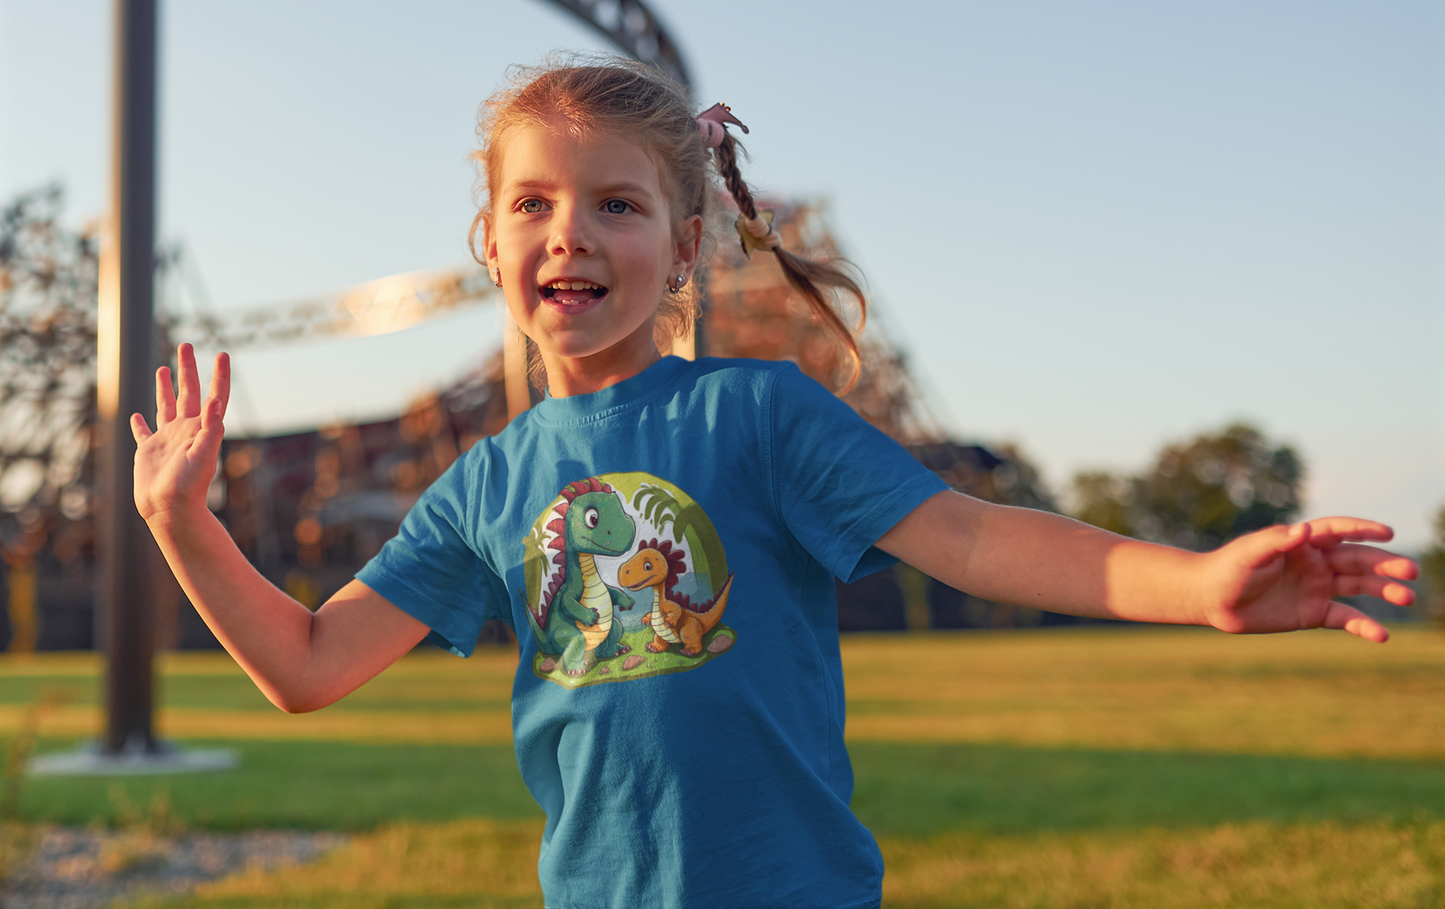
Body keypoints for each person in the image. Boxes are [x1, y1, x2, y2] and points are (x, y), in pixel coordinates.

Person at [130, 56, 1418, 909]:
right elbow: (303, 667)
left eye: (617, 206)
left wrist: (1198, 585)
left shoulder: (757, 415)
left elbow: (974, 539)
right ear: (493, 240)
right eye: (534, 203)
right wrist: (180, 523)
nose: (571, 230)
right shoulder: (482, 487)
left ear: (683, 247)